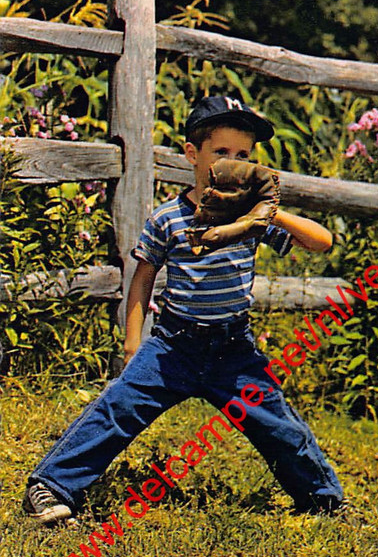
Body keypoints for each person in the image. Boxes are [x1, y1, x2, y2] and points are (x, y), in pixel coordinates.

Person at [23, 95, 344, 525]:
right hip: (173, 346)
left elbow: (322, 242)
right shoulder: (169, 218)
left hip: (234, 351)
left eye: (244, 155)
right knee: (118, 408)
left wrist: (272, 212)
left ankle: (324, 502)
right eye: (222, 153)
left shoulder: (253, 218)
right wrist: (134, 344)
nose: (235, 163)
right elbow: (143, 278)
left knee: (278, 425)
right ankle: (51, 487)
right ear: (193, 155)